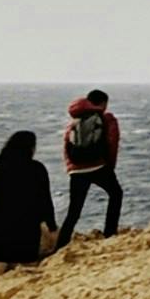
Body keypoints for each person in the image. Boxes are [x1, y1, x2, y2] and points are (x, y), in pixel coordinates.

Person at [0, 129, 58, 276]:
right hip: (26, 225)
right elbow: (45, 201)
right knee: (27, 264)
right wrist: (52, 227)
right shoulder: (37, 168)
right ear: (31, 148)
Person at [57, 89, 123, 248]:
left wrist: (71, 168)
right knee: (116, 194)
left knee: (74, 211)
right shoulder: (106, 118)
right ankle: (109, 232)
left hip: (77, 170)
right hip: (98, 166)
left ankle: (60, 245)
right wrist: (110, 166)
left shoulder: (75, 120)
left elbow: (66, 145)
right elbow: (112, 142)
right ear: (103, 103)